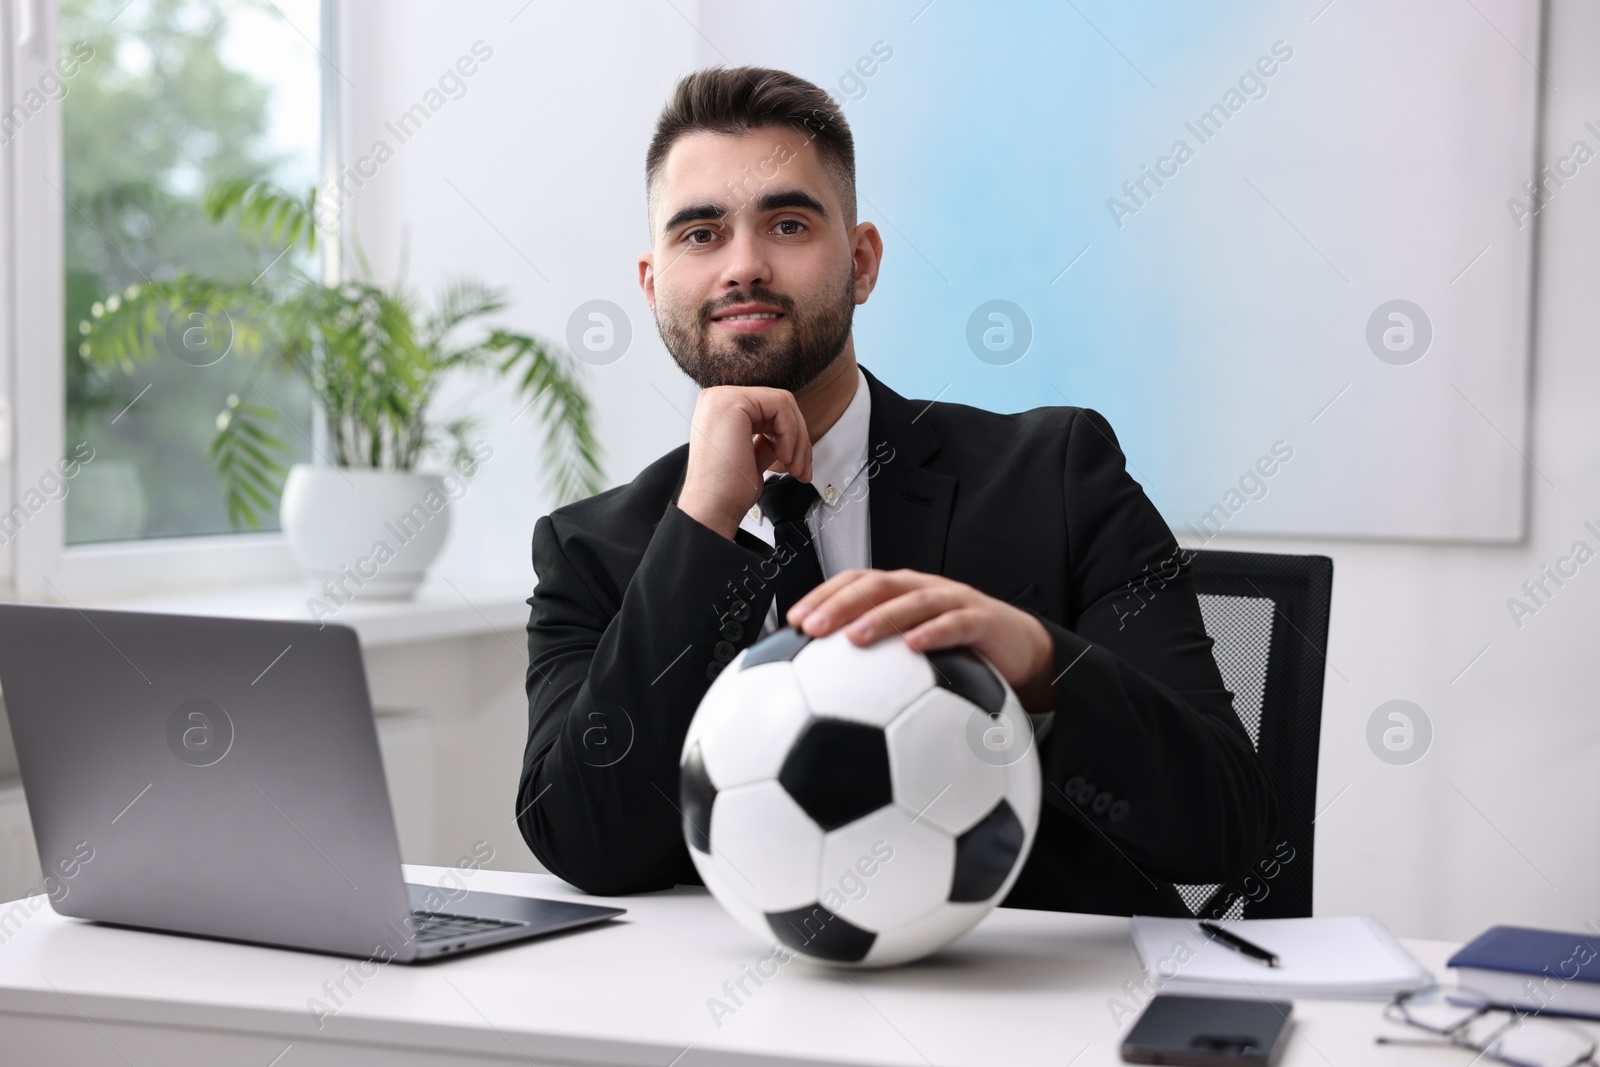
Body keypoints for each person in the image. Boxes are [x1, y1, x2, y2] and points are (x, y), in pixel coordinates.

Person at [515, 66, 1277, 917]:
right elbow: (587, 844)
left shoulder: (1058, 475)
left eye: (789, 222)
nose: (744, 266)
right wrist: (702, 524)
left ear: (863, 261)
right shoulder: (589, 551)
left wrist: (1039, 665)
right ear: (655, 286)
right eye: (701, 234)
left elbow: (1226, 829)